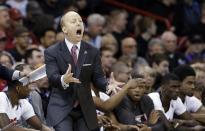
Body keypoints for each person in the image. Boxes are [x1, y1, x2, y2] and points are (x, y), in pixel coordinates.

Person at [44, 11, 111, 131]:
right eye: (73, 21)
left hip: (85, 108)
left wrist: (108, 85)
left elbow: (98, 78)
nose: (78, 24)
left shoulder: (92, 51)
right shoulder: (52, 52)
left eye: (80, 21)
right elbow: (52, 77)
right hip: (61, 107)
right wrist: (63, 79)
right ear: (64, 29)